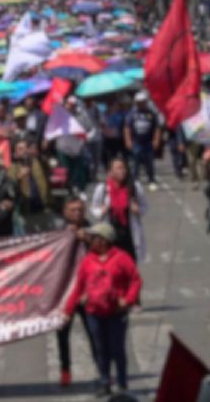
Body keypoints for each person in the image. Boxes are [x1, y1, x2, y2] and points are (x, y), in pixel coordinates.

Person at [64, 223, 141, 397]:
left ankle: (122, 383)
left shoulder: (122, 258)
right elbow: (78, 287)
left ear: (104, 240)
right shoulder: (87, 260)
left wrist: (128, 300)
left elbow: (135, 280)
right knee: (100, 349)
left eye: (93, 237)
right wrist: (68, 311)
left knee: (117, 349)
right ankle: (104, 382)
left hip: (116, 313)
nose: (90, 240)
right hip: (94, 313)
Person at [54, 196, 98, 387]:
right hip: (66, 293)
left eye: (80, 210)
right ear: (65, 212)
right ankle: (65, 370)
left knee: (95, 334)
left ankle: (102, 371)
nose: (77, 213)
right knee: (63, 336)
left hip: (88, 293)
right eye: (72, 210)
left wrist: (87, 238)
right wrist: (66, 234)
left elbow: (104, 251)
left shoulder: (92, 230)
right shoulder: (58, 231)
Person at [90, 158, 147, 263]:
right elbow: (94, 208)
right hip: (110, 235)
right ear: (110, 172)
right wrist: (101, 211)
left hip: (129, 235)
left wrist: (137, 210)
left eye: (124, 168)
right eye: (118, 168)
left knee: (130, 266)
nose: (122, 171)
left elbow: (144, 207)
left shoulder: (134, 187)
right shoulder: (102, 189)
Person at [8, 138, 53, 234]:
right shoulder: (13, 167)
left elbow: (48, 168)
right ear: (15, 152)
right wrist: (19, 177)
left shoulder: (37, 161)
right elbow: (9, 187)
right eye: (20, 149)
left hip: (41, 205)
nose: (24, 151)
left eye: (25, 148)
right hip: (25, 208)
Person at [124, 91, 160, 190]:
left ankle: (151, 180)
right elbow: (127, 128)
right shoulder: (132, 114)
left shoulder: (151, 113)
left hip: (148, 142)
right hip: (136, 142)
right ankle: (135, 181)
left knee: (149, 162)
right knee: (135, 162)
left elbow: (156, 128)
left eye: (143, 102)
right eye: (139, 102)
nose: (141, 104)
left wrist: (156, 140)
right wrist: (128, 140)